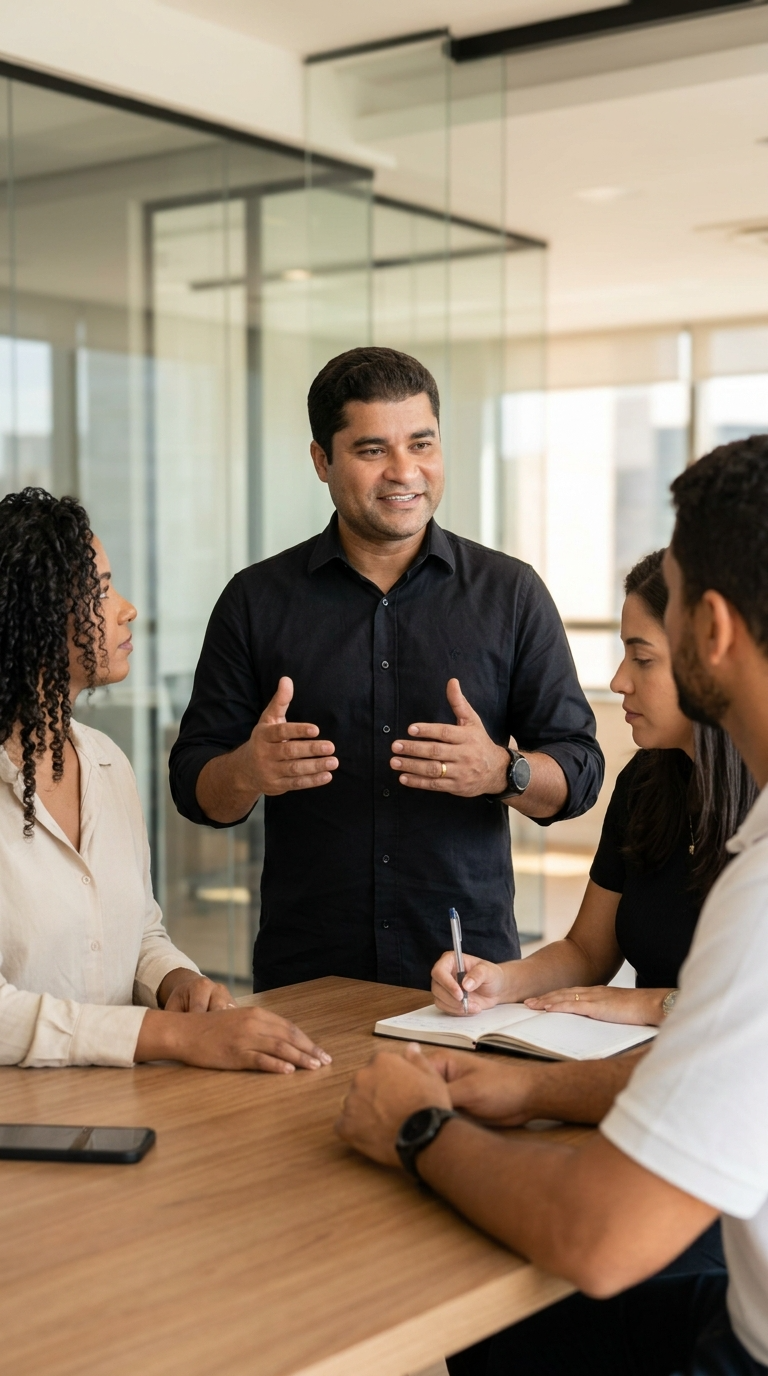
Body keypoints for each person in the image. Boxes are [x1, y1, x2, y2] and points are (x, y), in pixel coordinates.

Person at [336, 434, 768, 1376]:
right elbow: (707, 1069)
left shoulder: (761, 899)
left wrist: (417, 1126)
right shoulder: (706, 827)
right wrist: (530, 1085)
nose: (617, 680)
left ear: (716, 631)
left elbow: (601, 1237)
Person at [169, 347, 603, 993]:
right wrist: (246, 771)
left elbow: (581, 770)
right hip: (307, 972)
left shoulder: (510, 593)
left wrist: (500, 771)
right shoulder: (255, 601)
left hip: (465, 971)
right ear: (323, 460)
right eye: (373, 450)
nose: (405, 471)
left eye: (422, 443)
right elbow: (193, 786)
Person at [0, 488, 330, 1073]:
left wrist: (174, 979)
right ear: (36, 617)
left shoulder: (106, 763)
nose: (126, 609)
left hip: (117, 1107)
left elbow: (136, 931)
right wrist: (170, 1036)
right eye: (100, 590)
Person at [431, 548, 756, 1034]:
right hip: (642, 1062)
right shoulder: (646, 782)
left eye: (642, 658)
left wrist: (655, 1006)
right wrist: (497, 981)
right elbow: (587, 952)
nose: (618, 680)